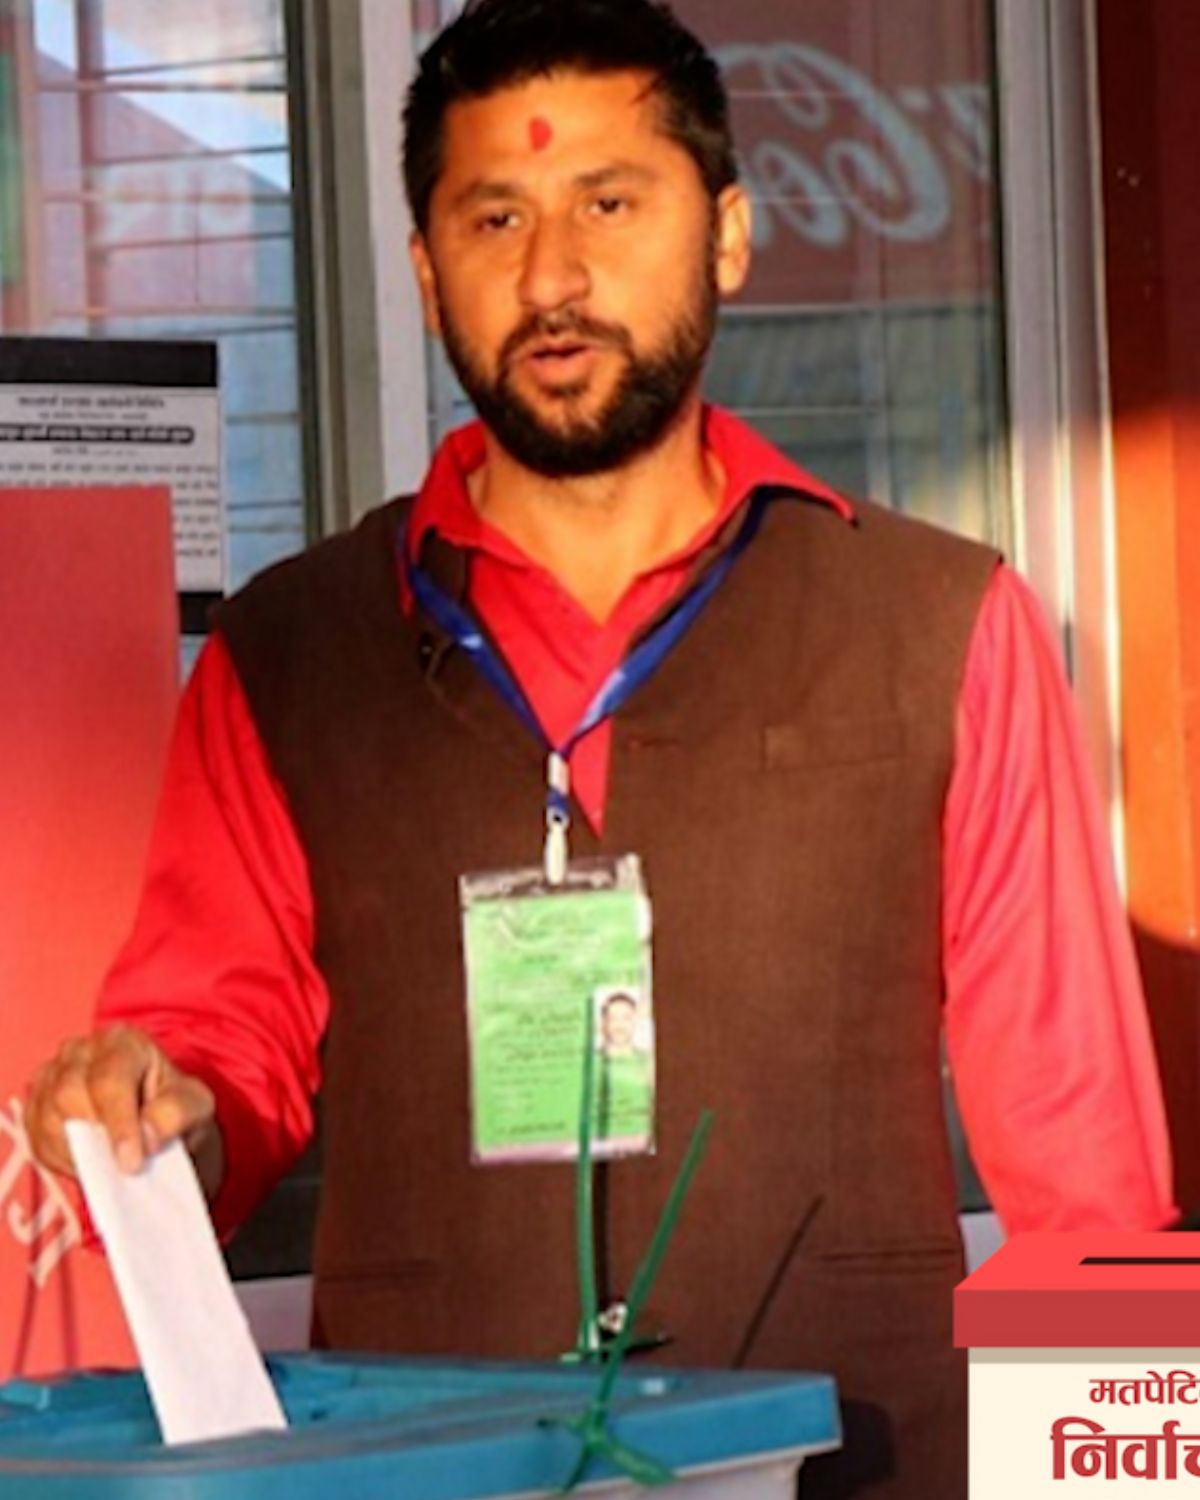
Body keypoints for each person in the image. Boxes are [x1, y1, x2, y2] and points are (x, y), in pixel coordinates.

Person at [26, 1, 1176, 1494]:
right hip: (425, 1468)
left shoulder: (944, 624)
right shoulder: (288, 654)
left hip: (862, 1458)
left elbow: (1087, 1176)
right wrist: (153, 1117)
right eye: (495, 216)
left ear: (729, 236)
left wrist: (1119, 1468)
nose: (552, 276)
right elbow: (216, 1057)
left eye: (610, 204)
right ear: (426, 269)